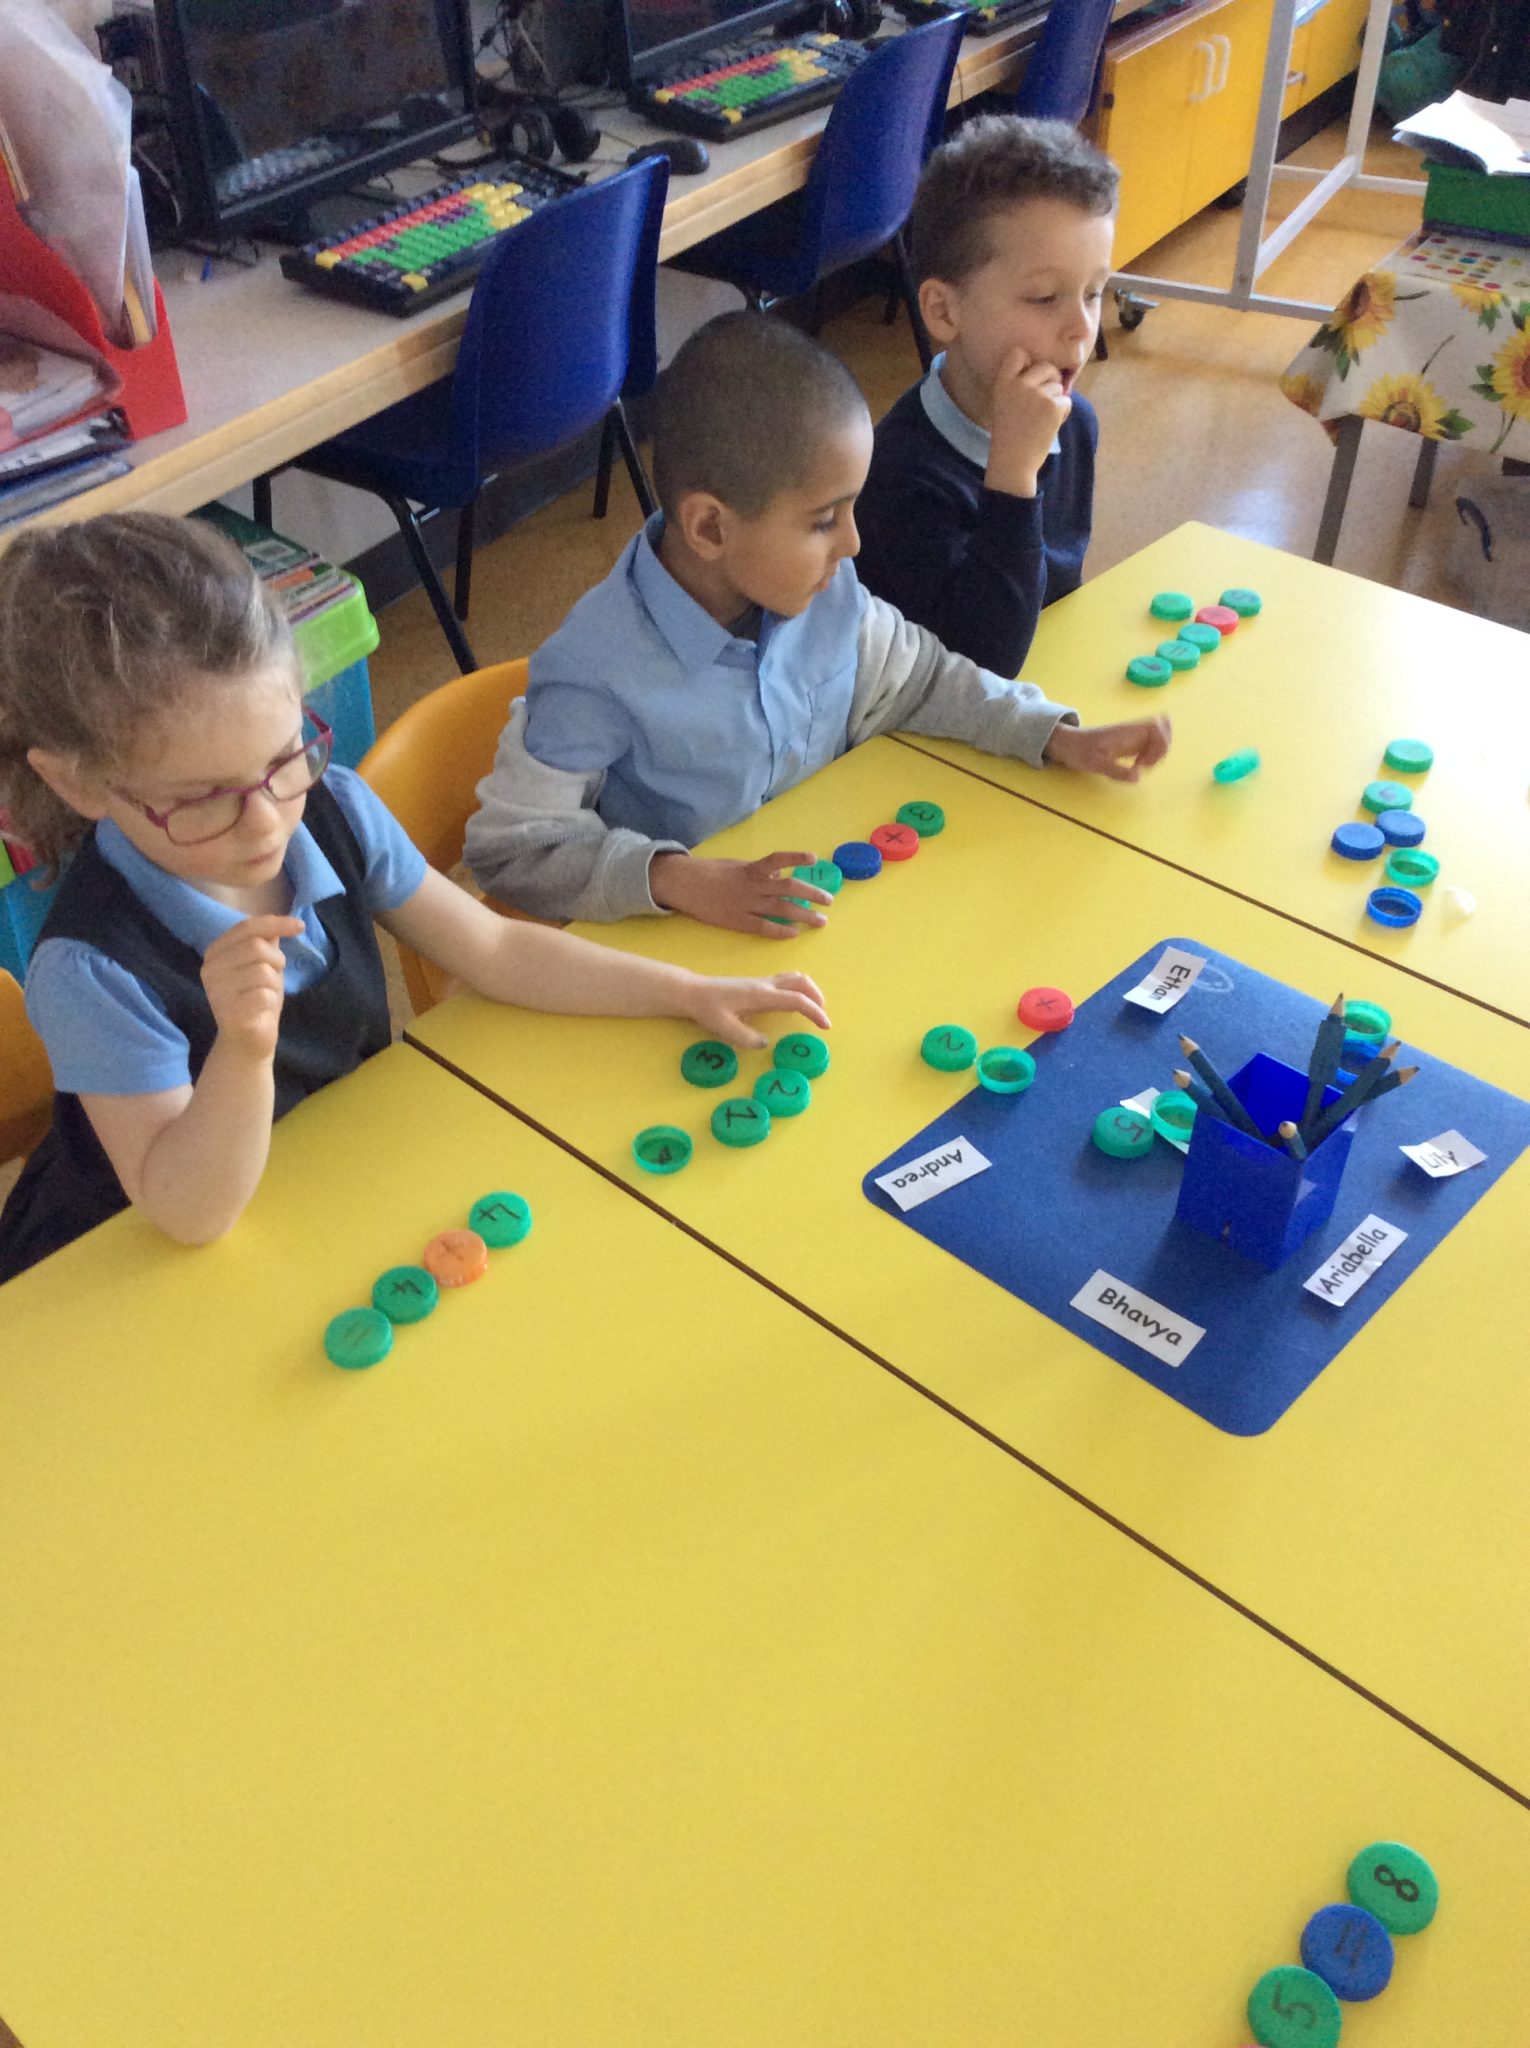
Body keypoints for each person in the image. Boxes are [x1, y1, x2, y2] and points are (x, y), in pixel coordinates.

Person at [0, 514, 829, 1283]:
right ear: (79, 781)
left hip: (334, 1184)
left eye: (286, 756)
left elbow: (495, 950)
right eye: (203, 797)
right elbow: (188, 1212)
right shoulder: (89, 968)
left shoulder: (334, 812)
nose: (266, 821)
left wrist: (683, 991)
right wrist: (244, 1052)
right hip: (131, 1269)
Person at [465, 311, 1166, 931]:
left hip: (825, 923)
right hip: (682, 962)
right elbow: (513, 847)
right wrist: (673, 879)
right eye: (824, 520)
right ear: (710, 528)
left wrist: (1049, 734)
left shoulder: (822, 590)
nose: (854, 543)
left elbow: (922, 679)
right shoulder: (595, 669)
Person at [853, 115, 1119, 678]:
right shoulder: (898, 476)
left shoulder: (1073, 425)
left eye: (1094, 293)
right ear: (945, 312)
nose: (1081, 328)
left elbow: (1058, 608)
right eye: (1045, 298)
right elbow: (982, 664)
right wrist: (1014, 480)